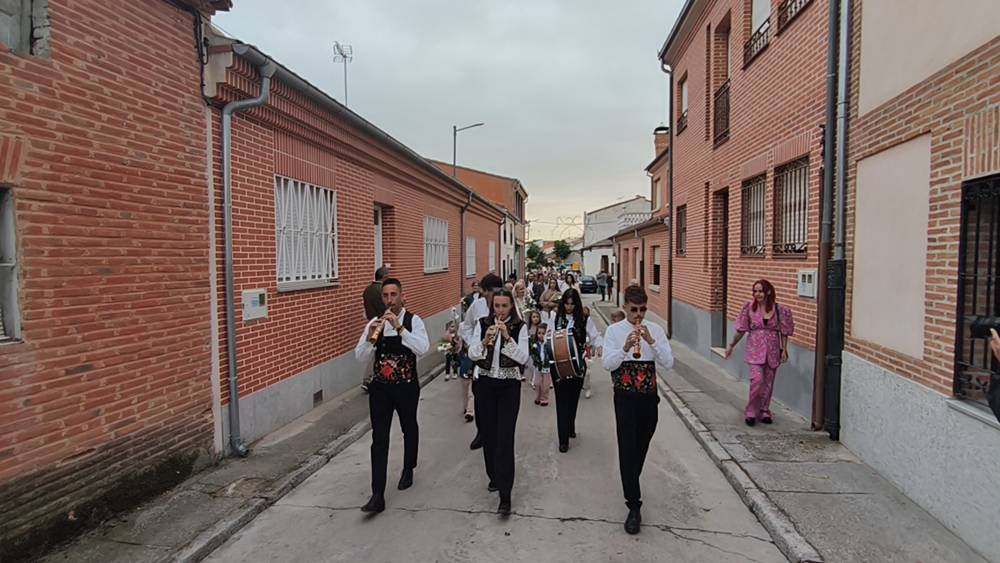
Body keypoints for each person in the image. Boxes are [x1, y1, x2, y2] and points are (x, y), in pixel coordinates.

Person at [354, 278, 430, 514]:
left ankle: (409, 467)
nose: (389, 300)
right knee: (379, 438)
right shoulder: (373, 324)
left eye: (393, 295)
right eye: (385, 296)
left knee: (409, 426)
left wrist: (399, 328)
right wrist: (370, 340)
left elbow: (422, 348)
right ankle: (377, 494)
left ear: (401, 296)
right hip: (381, 389)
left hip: (406, 386)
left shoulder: (413, 321)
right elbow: (360, 357)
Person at [602, 284, 673, 534]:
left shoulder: (655, 330)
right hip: (624, 398)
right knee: (627, 449)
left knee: (641, 447)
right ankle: (634, 505)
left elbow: (668, 362)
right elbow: (607, 365)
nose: (639, 315)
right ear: (625, 307)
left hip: (648, 398)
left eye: (643, 310)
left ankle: (631, 477)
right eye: (634, 310)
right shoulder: (614, 331)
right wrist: (624, 348)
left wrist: (651, 342)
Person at [467, 286, 530, 516]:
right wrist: (484, 341)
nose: (500, 311)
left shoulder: (520, 327)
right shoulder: (482, 324)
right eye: (497, 306)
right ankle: (494, 476)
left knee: (505, 438)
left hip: (508, 387)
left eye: (504, 306)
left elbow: (524, 358)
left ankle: (505, 495)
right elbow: (472, 354)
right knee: (489, 436)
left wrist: (506, 337)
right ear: (492, 306)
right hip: (484, 384)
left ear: (511, 307)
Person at [724, 279, 795, 426]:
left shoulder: (779, 310)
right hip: (755, 349)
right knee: (757, 380)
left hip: (773, 349)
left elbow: (784, 332)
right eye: (755, 291)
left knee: (768, 383)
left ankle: (764, 411)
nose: (757, 294)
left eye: (760, 291)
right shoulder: (749, 308)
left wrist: (784, 350)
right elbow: (741, 330)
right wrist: (731, 345)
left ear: (768, 291)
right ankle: (751, 411)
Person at [548, 289, 602, 453]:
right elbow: (549, 337)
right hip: (557, 365)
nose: (569, 307)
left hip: (578, 364)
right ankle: (563, 440)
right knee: (561, 401)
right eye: (566, 303)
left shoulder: (584, 319)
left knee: (572, 399)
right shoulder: (555, 317)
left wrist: (599, 346)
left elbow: (595, 336)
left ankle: (570, 425)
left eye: (572, 304)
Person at [461, 274, 505, 446]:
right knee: (480, 397)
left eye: (494, 292)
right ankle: (482, 432)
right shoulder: (477, 306)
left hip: (501, 358)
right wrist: (473, 344)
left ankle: (499, 432)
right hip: (480, 356)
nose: (491, 297)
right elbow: (466, 326)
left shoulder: (506, 305)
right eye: (487, 293)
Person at [530, 322, 551, 407]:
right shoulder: (535, 344)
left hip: (546, 367)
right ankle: (538, 397)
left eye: (543, 333)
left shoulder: (548, 344)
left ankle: (544, 399)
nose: (541, 335)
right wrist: (535, 360)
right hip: (538, 367)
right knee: (537, 383)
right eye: (539, 333)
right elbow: (532, 354)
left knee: (545, 385)